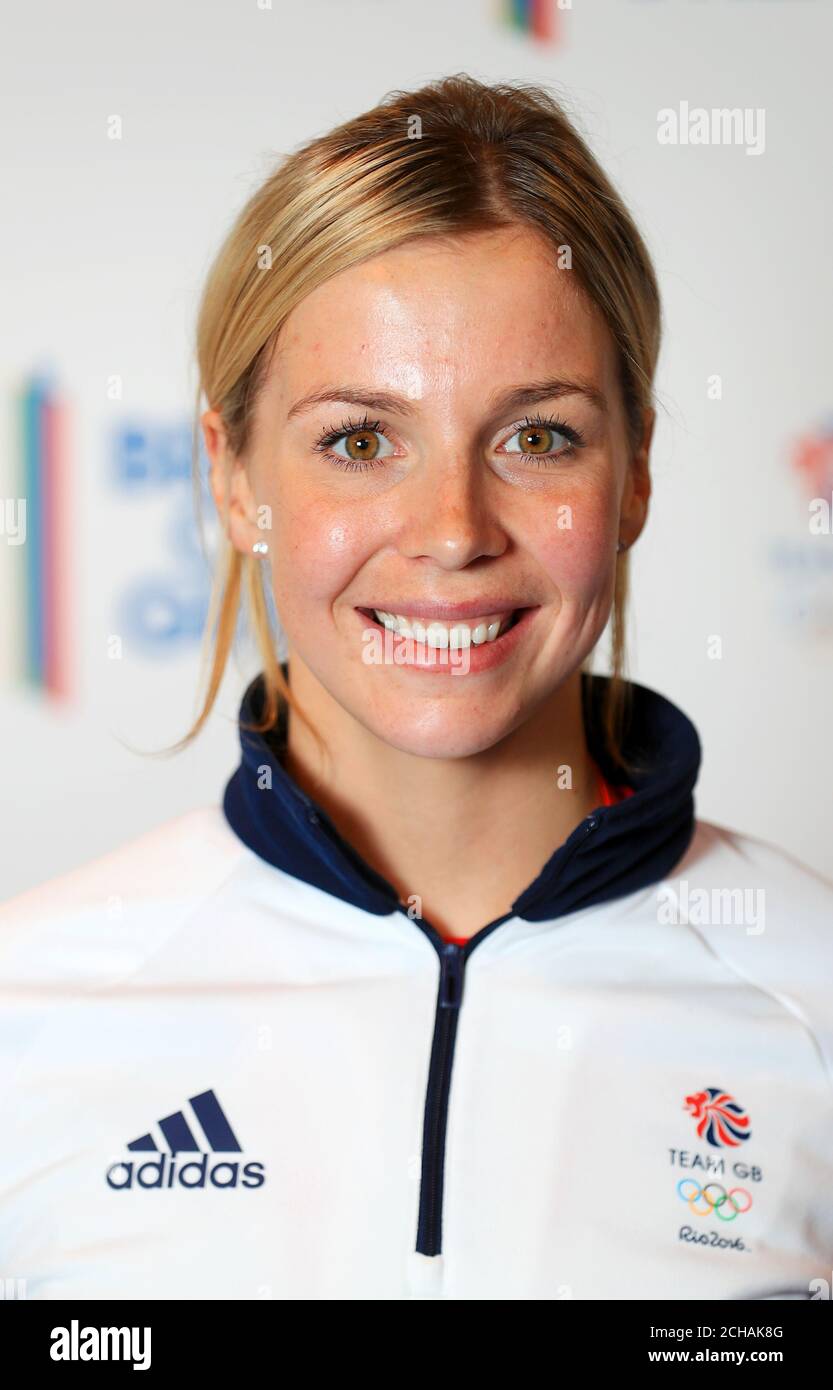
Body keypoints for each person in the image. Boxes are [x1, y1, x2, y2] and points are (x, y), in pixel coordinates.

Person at [1, 73, 831, 1302]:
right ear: (232, 478)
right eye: (357, 439)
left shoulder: (807, 995)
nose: (451, 531)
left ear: (636, 471)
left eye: (536, 435)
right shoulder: (32, 1007)